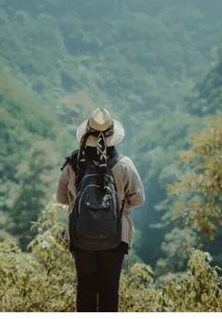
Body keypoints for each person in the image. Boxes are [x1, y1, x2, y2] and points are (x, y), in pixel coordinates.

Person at [56, 107, 145, 312]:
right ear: (113, 136)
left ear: (86, 135)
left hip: (81, 238)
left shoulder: (73, 165)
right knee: (109, 292)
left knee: (85, 290)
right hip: (115, 237)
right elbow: (138, 198)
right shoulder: (124, 164)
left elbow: (61, 197)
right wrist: (118, 209)